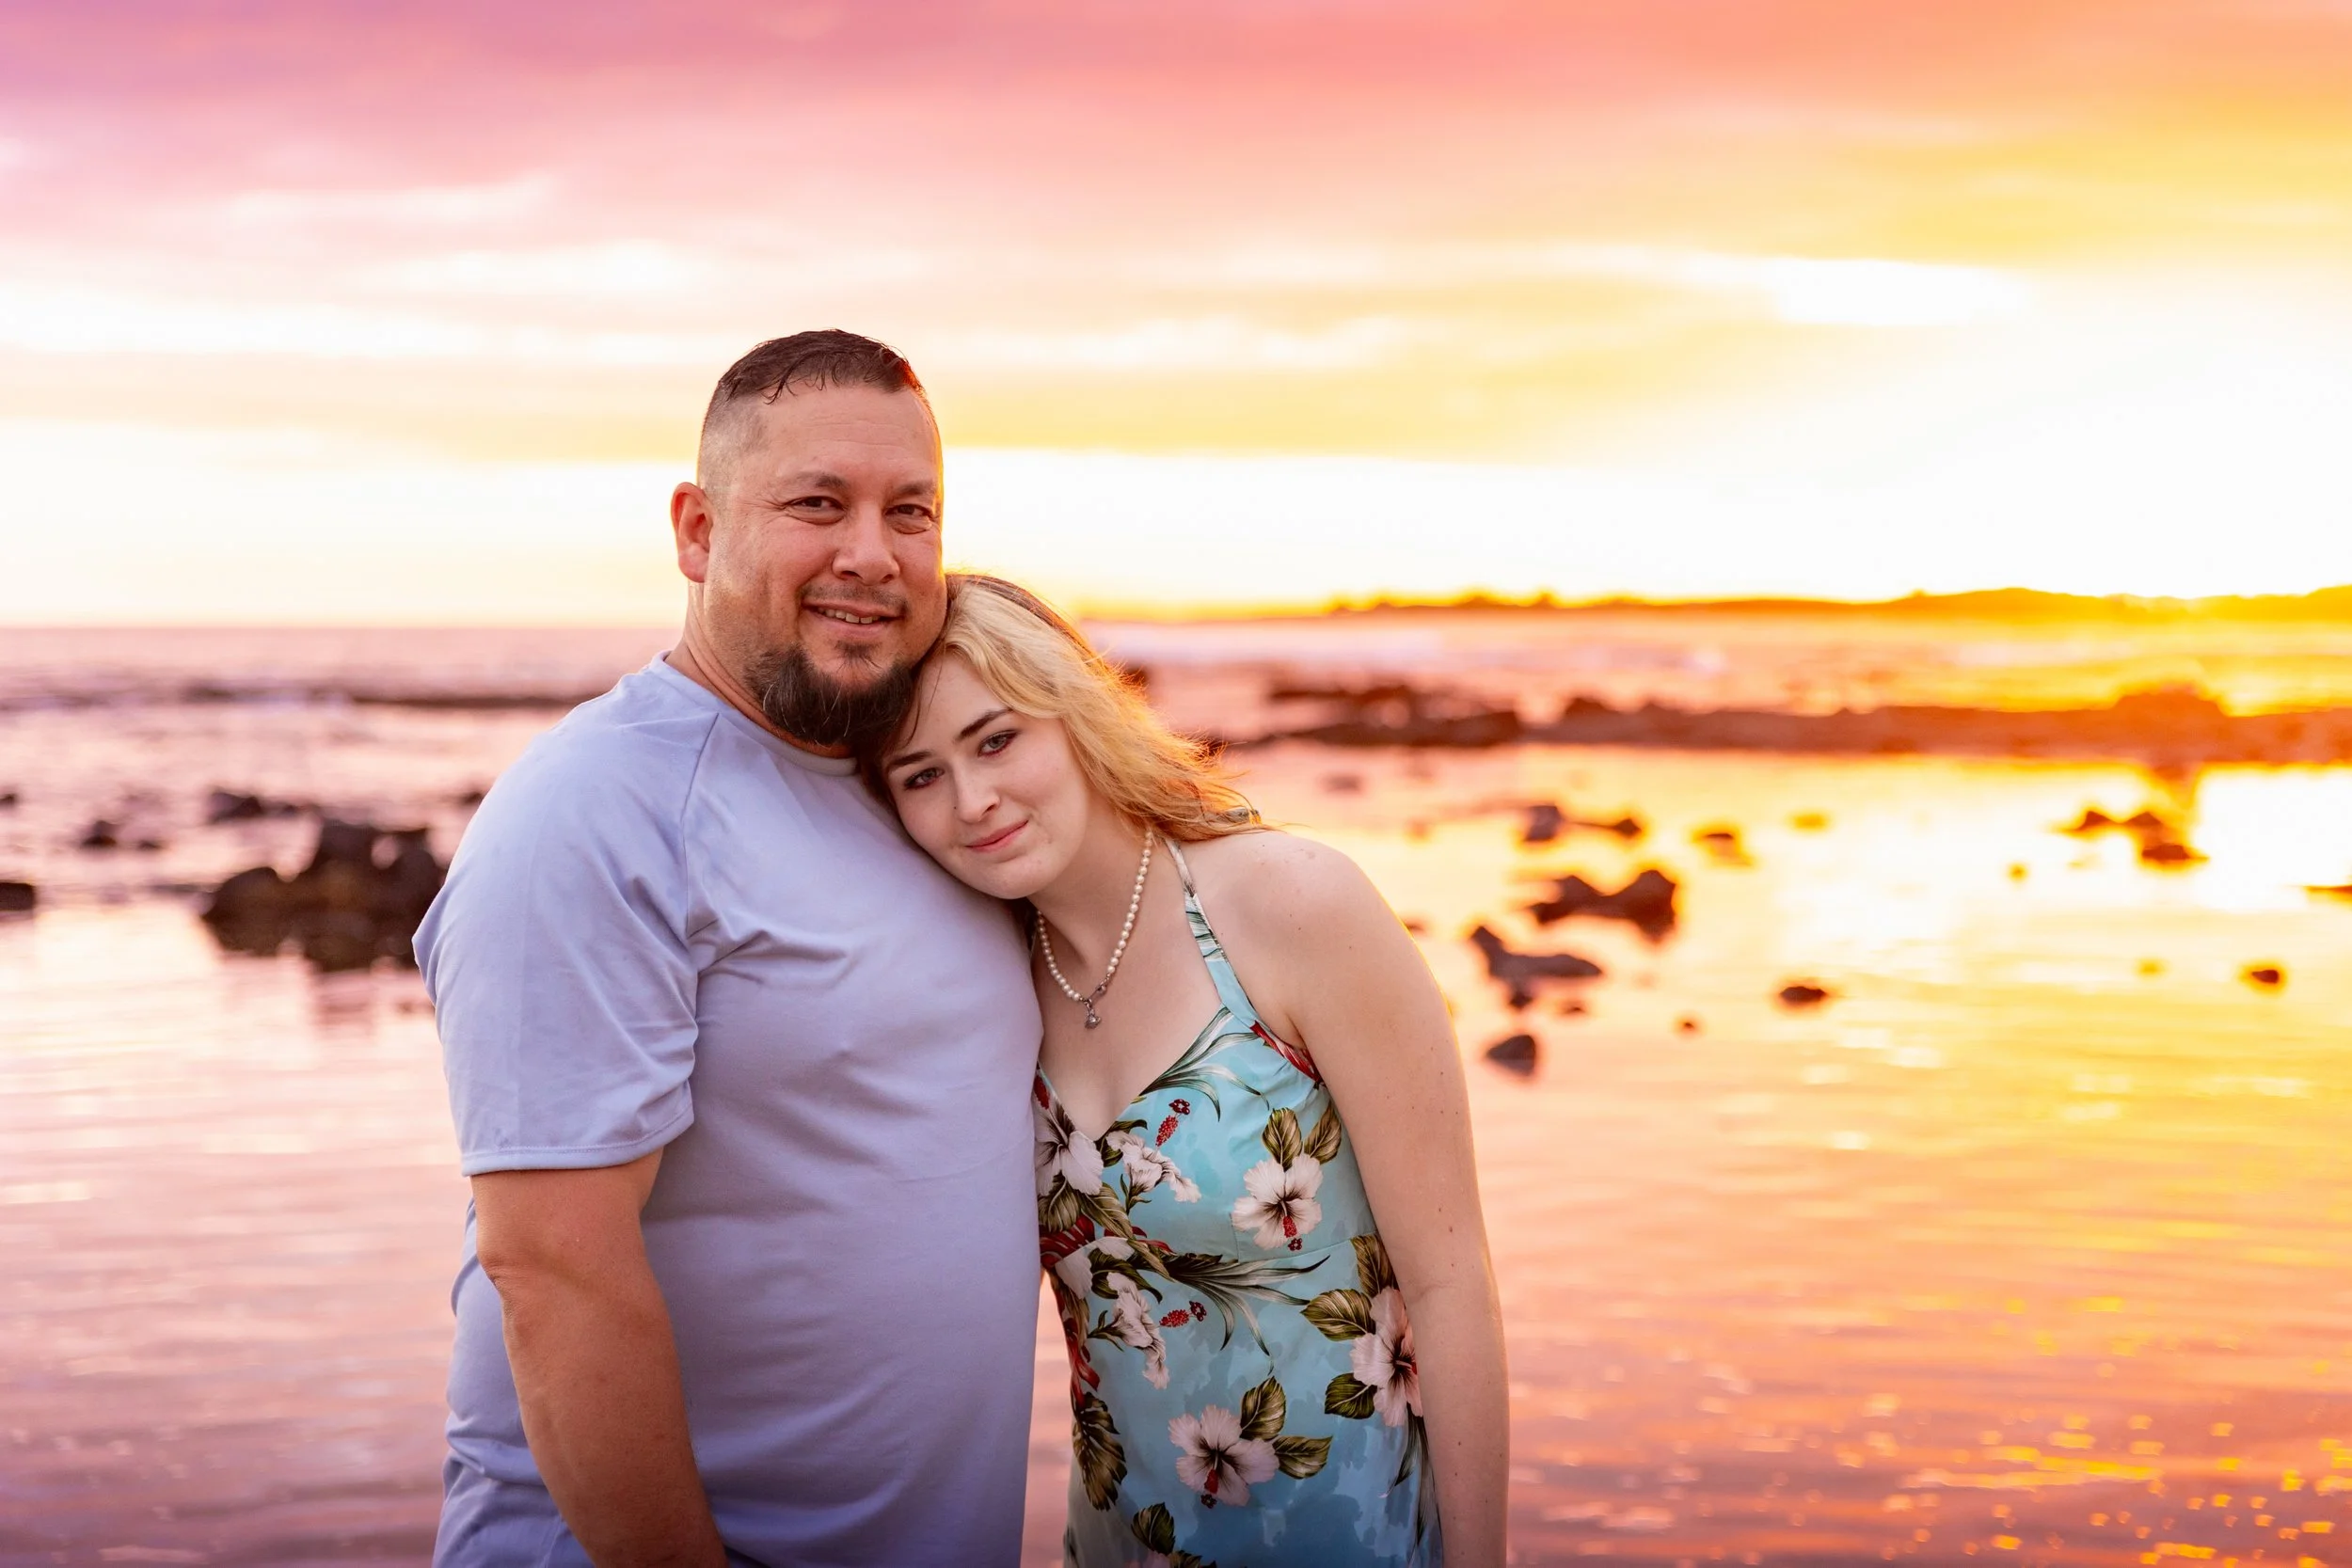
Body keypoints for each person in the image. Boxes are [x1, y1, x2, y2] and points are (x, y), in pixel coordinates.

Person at [415, 332, 1043, 1565]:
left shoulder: (919, 787)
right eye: (819, 503)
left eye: (910, 512)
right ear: (698, 531)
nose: (872, 551)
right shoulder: (594, 807)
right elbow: (551, 1268)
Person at [868, 576, 1511, 1566]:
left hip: (1350, 1534)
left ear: (1075, 710)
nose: (973, 799)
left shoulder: (1289, 903)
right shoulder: (987, 984)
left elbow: (1449, 1277)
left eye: (996, 739)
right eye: (920, 775)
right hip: (1126, 1537)